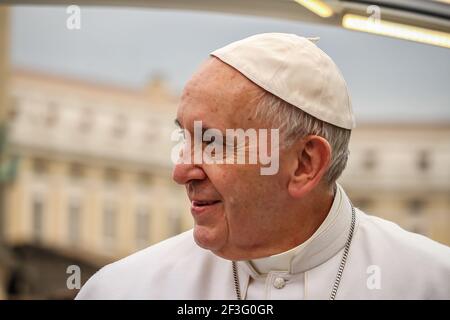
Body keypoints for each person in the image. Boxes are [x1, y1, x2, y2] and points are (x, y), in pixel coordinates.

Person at [76, 33, 450, 300]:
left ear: (305, 164)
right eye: (184, 139)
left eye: (213, 143)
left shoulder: (433, 283)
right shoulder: (123, 289)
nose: (181, 171)